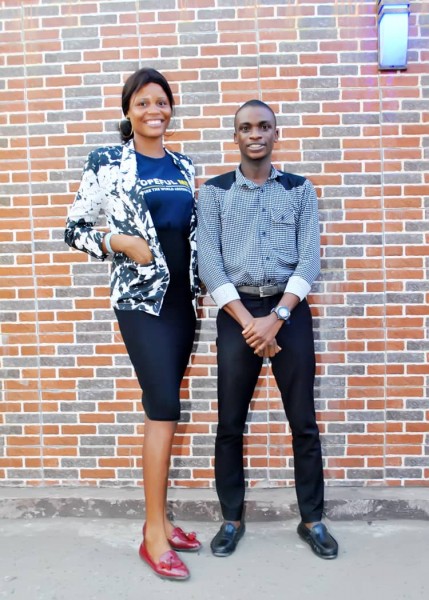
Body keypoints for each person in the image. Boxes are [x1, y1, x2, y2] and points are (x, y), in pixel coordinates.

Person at [65, 67, 201, 581]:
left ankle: (162, 520)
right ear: (128, 110)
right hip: (140, 302)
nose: (153, 110)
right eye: (142, 102)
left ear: (171, 109)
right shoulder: (107, 162)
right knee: (163, 406)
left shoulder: (183, 164)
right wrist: (117, 242)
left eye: (161, 102)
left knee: (167, 408)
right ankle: (152, 536)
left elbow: (190, 232)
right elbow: (74, 228)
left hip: (182, 302)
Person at [197, 99, 338, 560]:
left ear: (276, 133)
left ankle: (312, 520)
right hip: (237, 312)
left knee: (304, 423)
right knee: (229, 423)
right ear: (235, 136)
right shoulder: (214, 193)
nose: (255, 134)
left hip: (288, 312)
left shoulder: (299, 190)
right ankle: (231, 519)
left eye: (263, 126)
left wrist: (276, 318)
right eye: (246, 128)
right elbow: (210, 264)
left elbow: (309, 259)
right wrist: (250, 323)